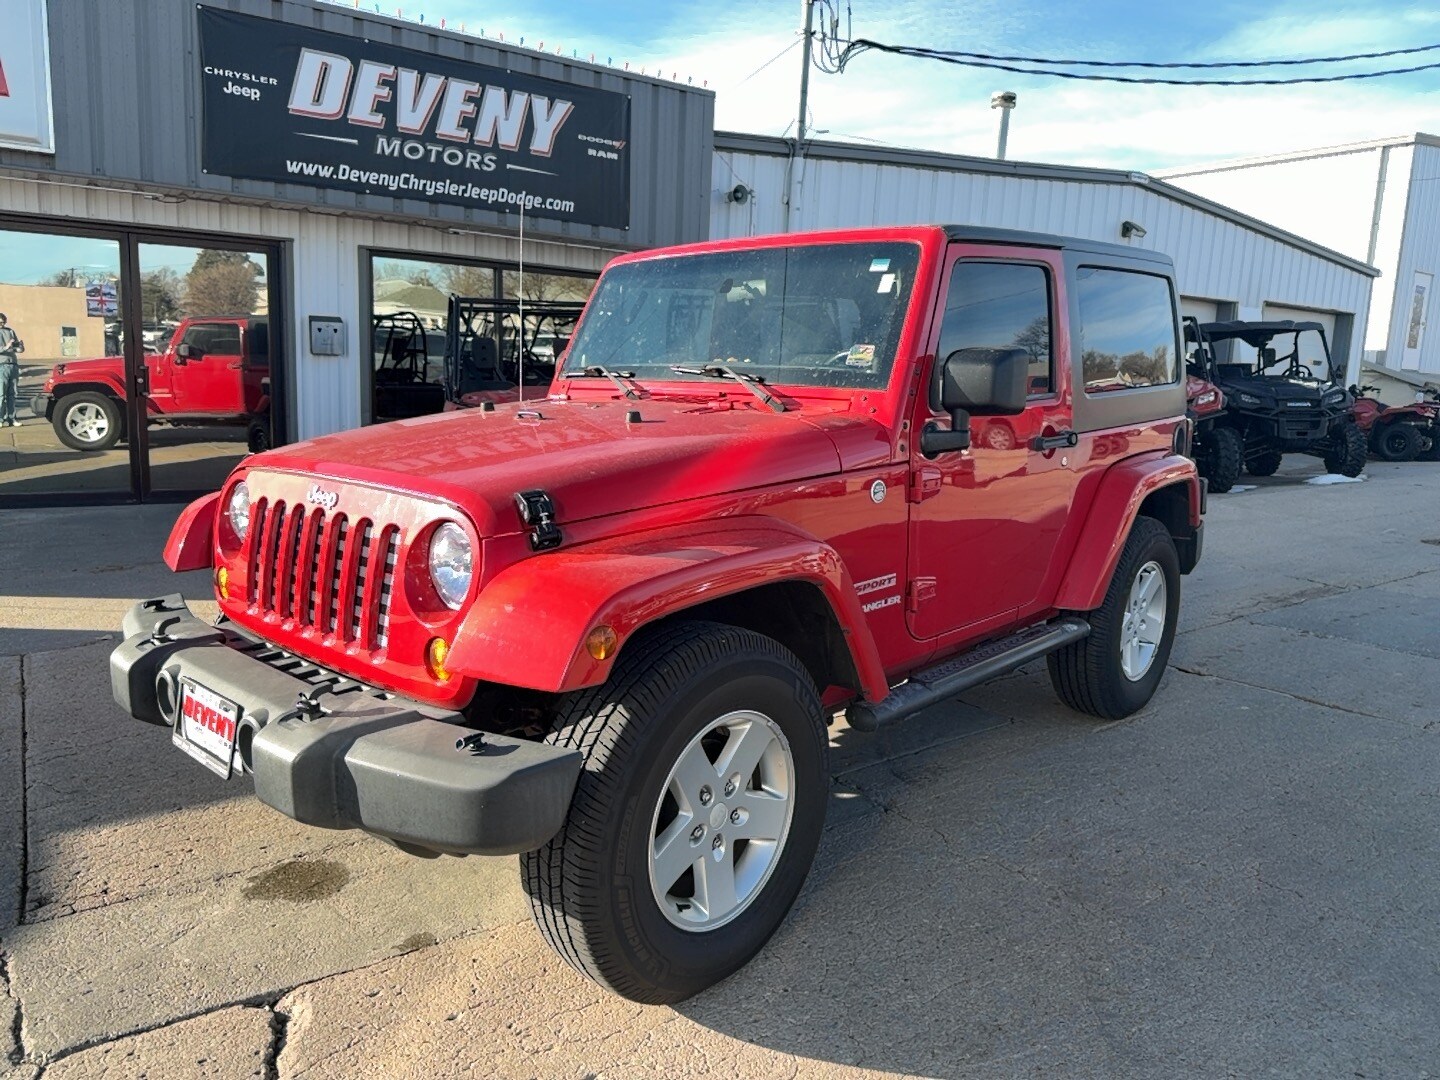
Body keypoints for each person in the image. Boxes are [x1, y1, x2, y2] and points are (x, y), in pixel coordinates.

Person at [0, 313, 23, 427]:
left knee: (12, 393)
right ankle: (0, 419)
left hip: (13, 364)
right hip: (1, 365)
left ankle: (12, 418)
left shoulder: (10, 331)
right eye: (0, 322)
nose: (2, 324)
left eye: (3, 322)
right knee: (1, 394)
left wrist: (20, 347)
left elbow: (16, 347)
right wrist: (7, 346)